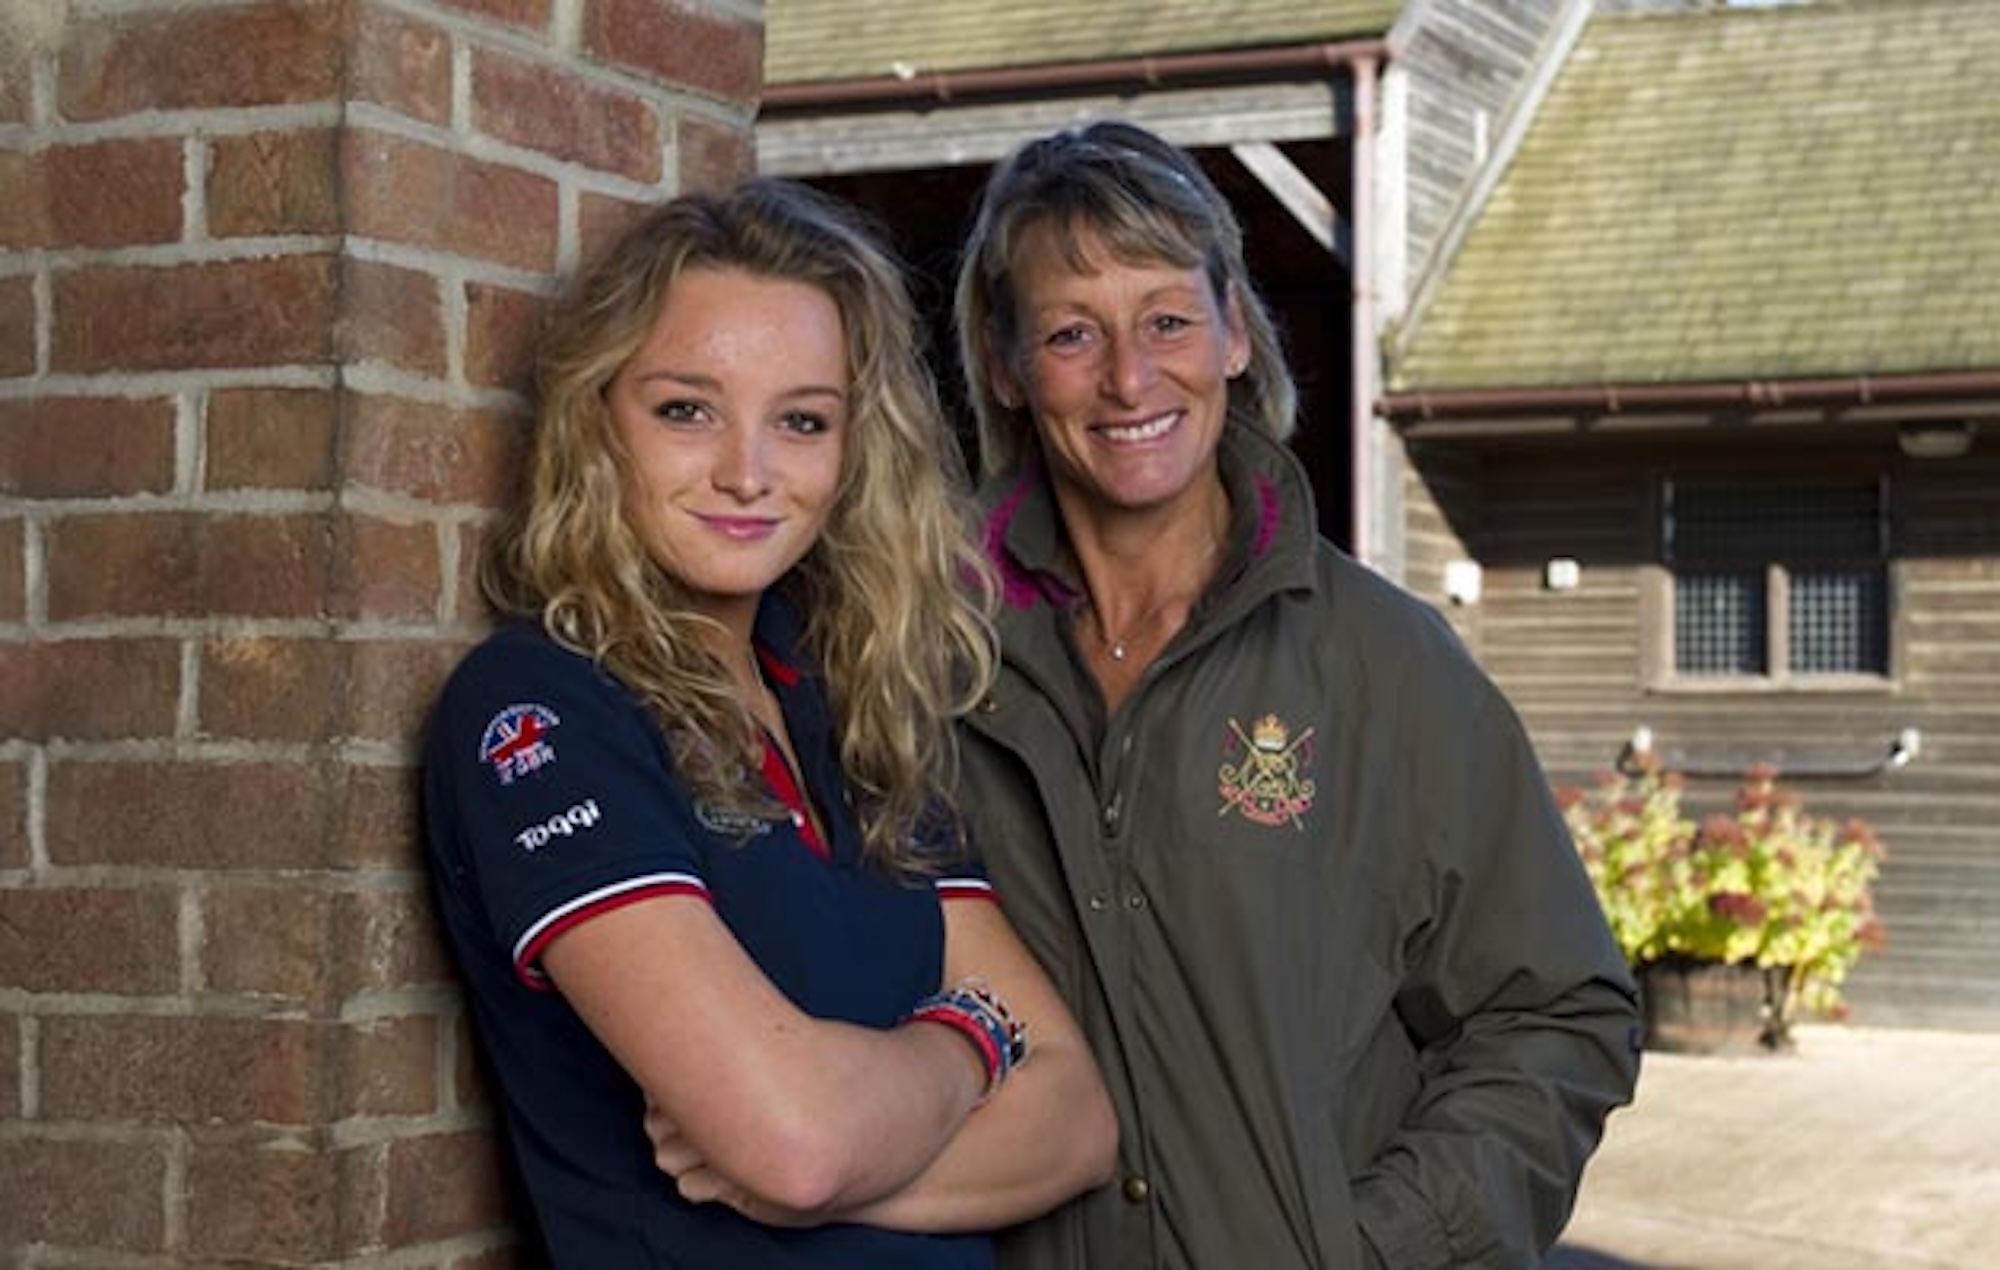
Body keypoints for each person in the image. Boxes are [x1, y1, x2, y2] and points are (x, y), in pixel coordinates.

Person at [947, 120, 1643, 1269]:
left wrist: (1372, 1248)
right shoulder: (927, 661)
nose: (1128, 376)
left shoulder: (1385, 667)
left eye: (1167, 318)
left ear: (1232, 331)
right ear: (1006, 362)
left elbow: (1556, 1015)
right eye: (1072, 332)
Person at [423, 177, 1117, 1269]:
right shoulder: (542, 706)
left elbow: (1076, 1118)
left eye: (801, 420)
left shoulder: (852, 704)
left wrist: (840, 1160)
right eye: (685, 408)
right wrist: (970, 1041)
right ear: (597, 417)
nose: (747, 472)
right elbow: (793, 1143)